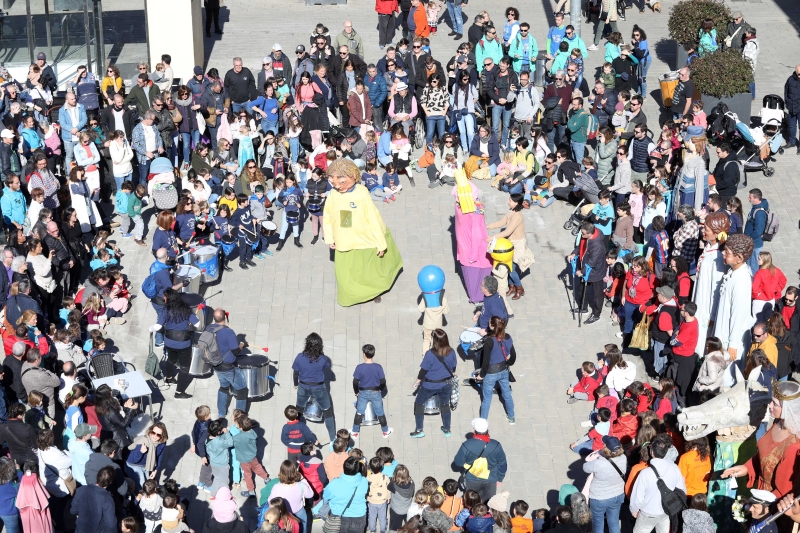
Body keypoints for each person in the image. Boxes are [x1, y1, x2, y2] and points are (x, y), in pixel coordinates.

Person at [322, 159, 403, 305]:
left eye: (342, 182)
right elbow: (328, 215)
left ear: (354, 176)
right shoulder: (333, 195)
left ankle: (373, 292)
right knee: (347, 274)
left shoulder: (361, 193)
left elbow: (373, 218)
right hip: (345, 241)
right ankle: (352, 296)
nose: (338, 187)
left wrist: (380, 242)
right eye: (334, 183)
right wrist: (329, 237)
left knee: (370, 271)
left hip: (366, 240)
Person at [722, 380, 800, 498]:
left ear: (788, 408)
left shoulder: (794, 445)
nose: (770, 406)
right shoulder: (778, 422)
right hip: (760, 492)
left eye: (775, 404)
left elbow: (784, 492)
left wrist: (761, 506)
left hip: (771, 504)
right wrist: (747, 467)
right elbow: (766, 456)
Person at [692, 211, 730, 354]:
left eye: (706, 229)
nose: (703, 231)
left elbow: (717, 287)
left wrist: (712, 316)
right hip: (700, 301)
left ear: (716, 233)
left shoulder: (718, 257)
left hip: (707, 308)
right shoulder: (709, 248)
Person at [714, 233, 755, 363]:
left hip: (731, 336)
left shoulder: (742, 280)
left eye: (727, 252)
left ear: (739, 258)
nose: (723, 254)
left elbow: (738, 313)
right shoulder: (733, 271)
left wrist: (733, 343)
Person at [453, 170, 492, 303]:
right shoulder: (474, 213)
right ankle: (477, 296)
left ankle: (476, 296)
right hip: (471, 251)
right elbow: (476, 235)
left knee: (472, 277)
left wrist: (473, 256)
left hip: (469, 252)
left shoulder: (460, 208)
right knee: (475, 276)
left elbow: (476, 235)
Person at [411, 329, 457, 438]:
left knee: (419, 403)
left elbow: (423, 371)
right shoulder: (452, 351)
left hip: (429, 385)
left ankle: (419, 430)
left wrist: (417, 383)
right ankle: (447, 429)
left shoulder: (430, 354)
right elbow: (453, 368)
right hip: (446, 384)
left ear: (435, 341)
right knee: (445, 405)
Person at [293, 332, 337, 443]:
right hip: (319, 388)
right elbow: (327, 367)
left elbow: (295, 373)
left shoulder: (299, 357)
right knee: (327, 411)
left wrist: (295, 384)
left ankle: (297, 432)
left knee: (299, 409)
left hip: (303, 386)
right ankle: (333, 438)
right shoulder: (322, 359)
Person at [157, 289, 199, 399]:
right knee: (184, 367)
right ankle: (179, 392)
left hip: (169, 342)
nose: (163, 298)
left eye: (164, 297)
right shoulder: (186, 309)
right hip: (184, 344)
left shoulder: (166, 310)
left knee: (171, 359)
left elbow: (158, 326)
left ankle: (169, 377)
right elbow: (198, 324)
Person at [453, 418, 507, 502]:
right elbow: (502, 463)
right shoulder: (496, 445)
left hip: (472, 478)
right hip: (491, 479)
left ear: (474, 430)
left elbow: (458, 462)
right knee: (488, 504)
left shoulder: (466, 445)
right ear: (487, 430)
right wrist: (500, 478)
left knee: (471, 502)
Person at [208, 309, 249, 418]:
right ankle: (240, 418)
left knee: (223, 387)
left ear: (214, 318)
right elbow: (235, 351)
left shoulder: (209, 328)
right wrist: (241, 344)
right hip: (228, 368)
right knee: (242, 390)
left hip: (216, 365)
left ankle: (221, 413)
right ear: (225, 318)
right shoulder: (228, 332)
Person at [477, 317, 516, 424]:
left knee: (487, 398)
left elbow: (485, 362)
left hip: (490, 373)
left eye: (489, 323)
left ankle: (483, 422)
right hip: (504, 370)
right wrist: (509, 363)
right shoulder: (508, 337)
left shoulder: (489, 341)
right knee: (507, 395)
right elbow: (513, 355)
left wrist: (481, 375)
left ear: (492, 326)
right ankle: (511, 417)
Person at [567, 222, 606, 325]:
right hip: (584, 267)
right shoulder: (586, 237)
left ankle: (596, 314)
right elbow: (580, 247)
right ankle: (583, 307)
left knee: (597, 295)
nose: (581, 235)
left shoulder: (597, 244)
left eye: (583, 233)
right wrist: (574, 253)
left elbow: (592, 262)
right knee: (582, 289)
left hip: (595, 272)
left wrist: (581, 271)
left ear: (590, 233)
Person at [352, 344, 392, 438]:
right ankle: (385, 431)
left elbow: (355, 382)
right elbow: (383, 381)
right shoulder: (378, 367)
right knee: (380, 412)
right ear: (373, 354)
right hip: (375, 392)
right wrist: (380, 390)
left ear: (364, 354)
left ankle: (355, 432)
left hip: (363, 393)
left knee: (359, 412)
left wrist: (356, 391)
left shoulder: (360, 367)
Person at [323, 457, 369, 533]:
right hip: (359, 517)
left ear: (344, 468)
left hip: (339, 518)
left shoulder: (334, 483)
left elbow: (326, 496)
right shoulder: (364, 481)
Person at [125, 422, 167, 490]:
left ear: (162, 436)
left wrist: (155, 470)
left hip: (146, 465)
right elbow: (132, 460)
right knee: (142, 487)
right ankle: (139, 498)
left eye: (158, 435)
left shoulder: (162, 443)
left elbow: (159, 456)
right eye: (153, 433)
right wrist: (140, 452)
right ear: (151, 431)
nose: (155, 436)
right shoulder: (143, 442)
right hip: (134, 466)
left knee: (148, 484)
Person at [744, 188, 770, 275]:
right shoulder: (756, 208)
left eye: (750, 197)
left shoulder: (759, 213)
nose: (749, 199)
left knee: (753, 267)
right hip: (751, 242)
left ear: (756, 199)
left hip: (754, 244)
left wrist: (748, 239)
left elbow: (758, 231)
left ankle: (753, 284)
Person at [784, 65, 800, 153]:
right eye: (799, 74)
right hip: (791, 107)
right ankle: (791, 141)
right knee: (791, 126)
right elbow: (786, 90)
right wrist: (787, 101)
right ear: (796, 72)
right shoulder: (790, 79)